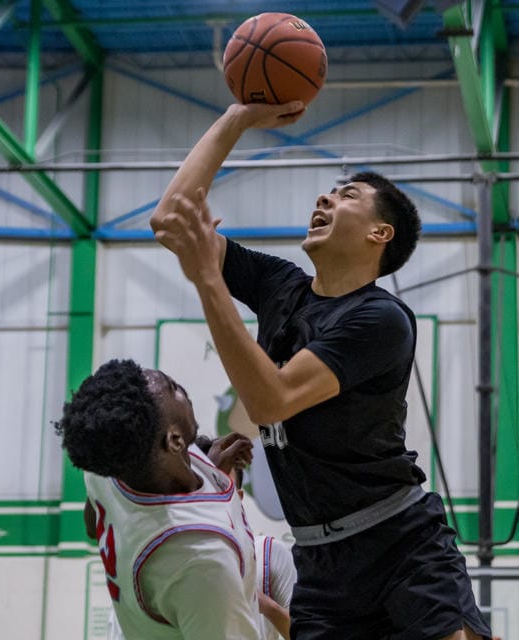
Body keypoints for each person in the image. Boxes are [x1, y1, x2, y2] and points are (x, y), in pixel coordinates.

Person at [150, 101, 493, 640]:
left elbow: (271, 401)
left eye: (346, 195)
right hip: (319, 561)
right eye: (328, 192)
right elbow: (172, 220)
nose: (324, 198)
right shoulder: (279, 285)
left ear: (380, 234)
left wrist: (208, 283)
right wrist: (237, 119)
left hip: (401, 543)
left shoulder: (381, 319)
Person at [55, 358, 260, 640]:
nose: (182, 391)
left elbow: (94, 526)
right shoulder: (200, 559)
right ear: (174, 441)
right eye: (173, 388)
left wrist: (210, 472)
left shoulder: (110, 465)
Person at [196, 435, 297, 640]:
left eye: (222, 486)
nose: (215, 496)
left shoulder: (269, 553)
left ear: (239, 498)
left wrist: (264, 605)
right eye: (205, 487)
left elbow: (306, 633)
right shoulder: (176, 564)